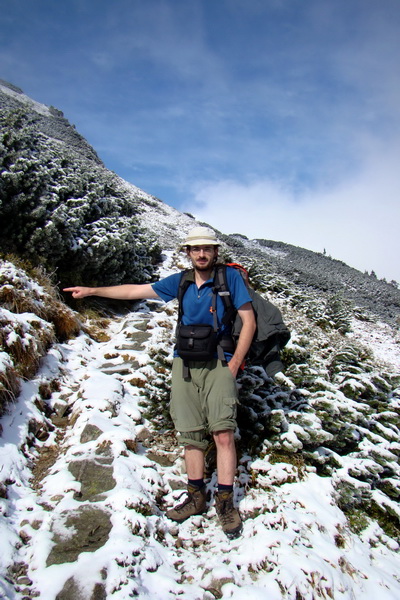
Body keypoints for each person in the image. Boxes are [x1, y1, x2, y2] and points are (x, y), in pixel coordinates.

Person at [64, 227, 256, 538]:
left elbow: (249, 320)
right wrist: (92, 290)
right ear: (188, 253)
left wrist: (234, 364)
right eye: (196, 249)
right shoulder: (180, 281)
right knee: (190, 434)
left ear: (215, 252)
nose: (202, 254)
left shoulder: (229, 278)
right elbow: (134, 291)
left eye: (207, 248)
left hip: (220, 361)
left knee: (222, 433)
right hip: (184, 363)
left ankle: (225, 501)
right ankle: (196, 497)